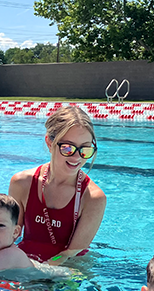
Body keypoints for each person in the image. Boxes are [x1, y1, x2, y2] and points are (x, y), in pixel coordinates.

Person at [9, 105, 106, 265]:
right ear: (49, 142)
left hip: (68, 269)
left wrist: (37, 272)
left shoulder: (93, 197)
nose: (77, 157)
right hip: (25, 262)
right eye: (67, 148)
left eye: (85, 149)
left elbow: (70, 254)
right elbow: (9, 237)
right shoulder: (21, 183)